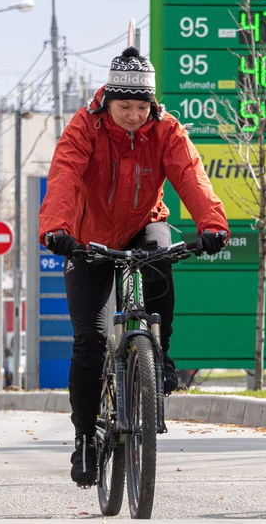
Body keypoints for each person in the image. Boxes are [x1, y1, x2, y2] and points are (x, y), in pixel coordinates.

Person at [39, 47, 230, 487]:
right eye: (124, 106)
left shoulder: (166, 130)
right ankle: (85, 437)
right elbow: (65, 176)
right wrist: (56, 229)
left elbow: (191, 176)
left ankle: (158, 356)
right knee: (89, 339)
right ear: (108, 100)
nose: (132, 115)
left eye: (141, 107)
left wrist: (213, 225)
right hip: (88, 238)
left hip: (145, 223)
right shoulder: (84, 127)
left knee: (163, 255)